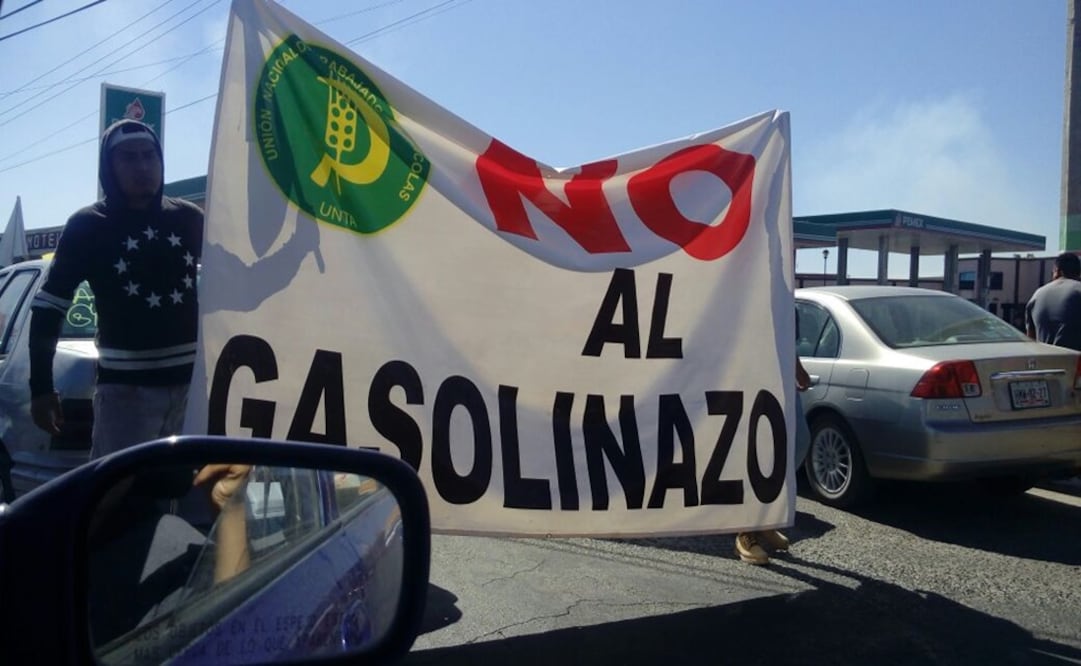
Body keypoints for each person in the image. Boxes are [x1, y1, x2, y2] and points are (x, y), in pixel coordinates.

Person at [27, 119, 204, 458]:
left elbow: (236, 276)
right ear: (109, 167)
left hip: (193, 390)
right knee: (118, 500)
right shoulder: (88, 226)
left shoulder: (189, 218)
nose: (142, 166)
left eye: (149, 156)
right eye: (128, 158)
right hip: (125, 396)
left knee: (196, 502)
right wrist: (40, 388)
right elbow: (49, 307)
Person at [736, 310, 813, 566]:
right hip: (749, 378)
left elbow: (785, 340)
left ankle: (766, 519)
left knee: (798, 442)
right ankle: (746, 530)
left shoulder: (787, 295)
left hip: (780, 380)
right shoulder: (745, 282)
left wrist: (798, 370)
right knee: (756, 453)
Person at [1025, 252, 1081, 351]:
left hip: (1046, 362)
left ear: (1057, 270)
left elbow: (1031, 340)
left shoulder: (1037, 295)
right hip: (1075, 362)